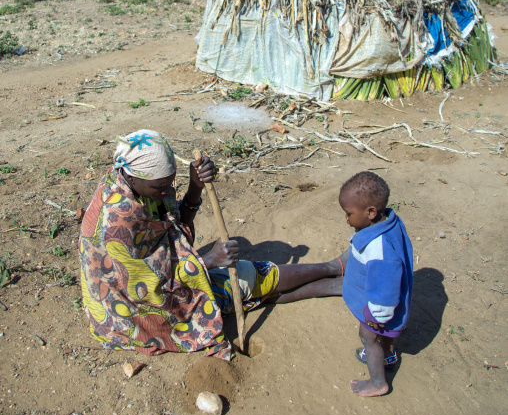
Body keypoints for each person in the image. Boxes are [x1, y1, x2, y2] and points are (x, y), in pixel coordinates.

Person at [79, 129, 343, 360]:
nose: (167, 191)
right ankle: (332, 269)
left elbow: (175, 226)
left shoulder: (131, 184)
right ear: (134, 177)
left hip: (142, 291)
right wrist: (208, 261)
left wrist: (195, 186)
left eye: (171, 183)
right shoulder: (118, 220)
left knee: (237, 293)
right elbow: (146, 285)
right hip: (136, 312)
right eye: (161, 187)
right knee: (245, 280)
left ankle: (329, 282)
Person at [340, 171, 413, 397]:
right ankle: (388, 355)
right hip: (390, 302)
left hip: (376, 309)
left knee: (369, 339)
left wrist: (374, 318)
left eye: (349, 213)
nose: (346, 218)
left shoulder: (379, 250)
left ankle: (377, 382)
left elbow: (384, 291)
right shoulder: (389, 222)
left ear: (370, 212)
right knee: (385, 338)